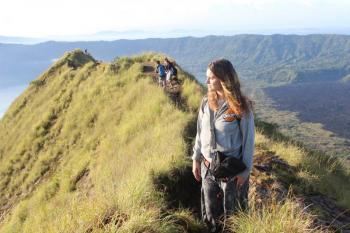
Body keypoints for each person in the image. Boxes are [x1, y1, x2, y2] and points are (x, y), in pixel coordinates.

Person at [192, 59, 255, 233]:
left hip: (231, 172)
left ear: (224, 79)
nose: (207, 81)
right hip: (207, 169)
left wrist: (245, 171)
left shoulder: (240, 106)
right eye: (207, 77)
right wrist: (196, 159)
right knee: (211, 217)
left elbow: (249, 141)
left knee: (233, 219)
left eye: (211, 78)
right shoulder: (205, 103)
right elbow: (200, 133)